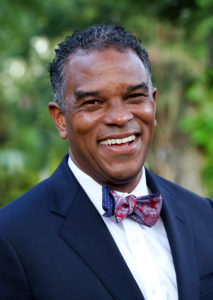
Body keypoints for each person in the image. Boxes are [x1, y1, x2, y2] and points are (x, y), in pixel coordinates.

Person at [0, 24, 212, 300]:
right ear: (60, 119)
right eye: (93, 103)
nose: (120, 117)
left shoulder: (205, 217)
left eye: (134, 97)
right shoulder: (11, 237)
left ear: (153, 103)